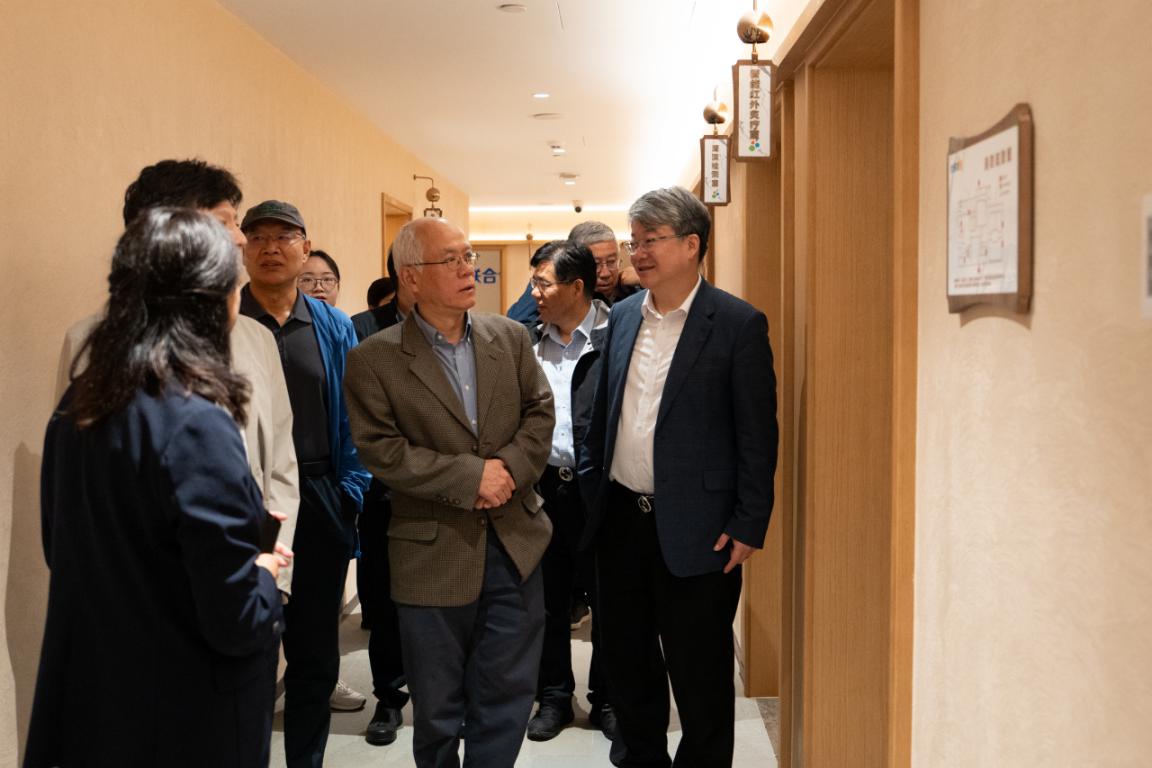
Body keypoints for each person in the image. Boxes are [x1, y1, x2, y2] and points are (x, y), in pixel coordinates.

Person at [27, 208, 287, 768]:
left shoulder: (81, 401)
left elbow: (60, 545)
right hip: (182, 712)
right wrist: (264, 572)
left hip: (97, 699)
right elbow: (236, 617)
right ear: (214, 300)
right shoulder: (195, 422)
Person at [577, 186, 779, 768]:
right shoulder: (621, 318)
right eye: (634, 242)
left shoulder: (737, 323)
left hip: (701, 529)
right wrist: (594, 494)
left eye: (651, 241)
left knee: (701, 676)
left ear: (692, 245)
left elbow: (756, 434)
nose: (637, 253)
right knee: (628, 667)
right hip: (621, 521)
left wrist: (749, 521)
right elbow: (603, 415)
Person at [344, 217, 555, 768]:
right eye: (452, 260)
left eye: (468, 257)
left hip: (515, 544)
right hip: (430, 551)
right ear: (411, 277)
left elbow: (539, 412)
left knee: (507, 695)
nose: (468, 270)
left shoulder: (509, 338)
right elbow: (381, 450)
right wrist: (470, 478)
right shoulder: (374, 358)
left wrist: (506, 470)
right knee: (437, 707)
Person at [55, 158, 299, 596]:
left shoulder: (257, 339)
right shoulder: (92, 343)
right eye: (225, 223)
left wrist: (270, 575)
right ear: (172, 236)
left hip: (247, 579)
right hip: (144, 594)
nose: (241, 238)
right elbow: (76, 496)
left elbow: (280, 464)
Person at [239, 199, 372, 766]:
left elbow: (357, 414)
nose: (271, 248)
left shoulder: (332, 325)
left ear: (305, 247)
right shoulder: (226, 319)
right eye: (258, 237)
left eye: (284, 237)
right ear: (243, 248)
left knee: (315, 650)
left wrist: (349, 493)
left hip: (319, 497)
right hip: (251, 504)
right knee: (248, 641)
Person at [522, 241, 617, 743]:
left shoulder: (616, 336)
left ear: (577, 287)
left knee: (609, 600)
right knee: (547, 602)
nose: (533, 292)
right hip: (543, 491)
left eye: (543, 283)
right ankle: (555, 697)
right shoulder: (525, 342)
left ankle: (608, 698)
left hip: (601, 492)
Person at [346, 248, 416, 747]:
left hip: (446, 489)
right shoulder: (361, 329)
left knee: (447, 603)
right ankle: (389, 698)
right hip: (381, 489)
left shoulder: (461, 328)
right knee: (385, 601)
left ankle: (444, 698)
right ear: (407, 273)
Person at [507, 220, 639, 326]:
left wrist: (644, 281)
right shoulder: (552, 287)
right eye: (596, 264)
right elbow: (515, 326)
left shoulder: (635, 288)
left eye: (611, 262)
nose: (605, 273)